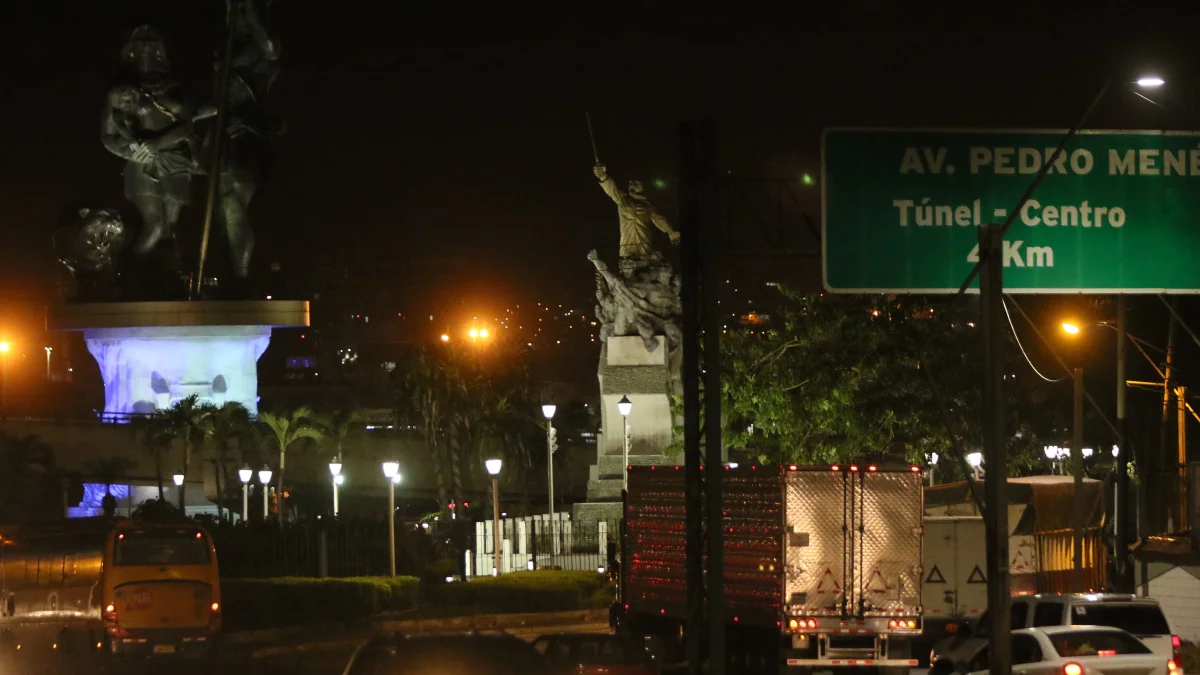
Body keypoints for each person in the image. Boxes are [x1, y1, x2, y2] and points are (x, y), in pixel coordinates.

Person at [593, 163, 680, 258]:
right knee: (627, 265)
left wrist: (671, 232)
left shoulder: (648, 206)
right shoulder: (622, 199)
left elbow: (659, 219)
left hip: (644, 241)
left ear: (643, 187)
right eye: (630, 183)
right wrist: (603, 177)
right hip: (627, 243)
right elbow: (611, 189)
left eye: (636, 183)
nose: (632, 185)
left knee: (647, 261)